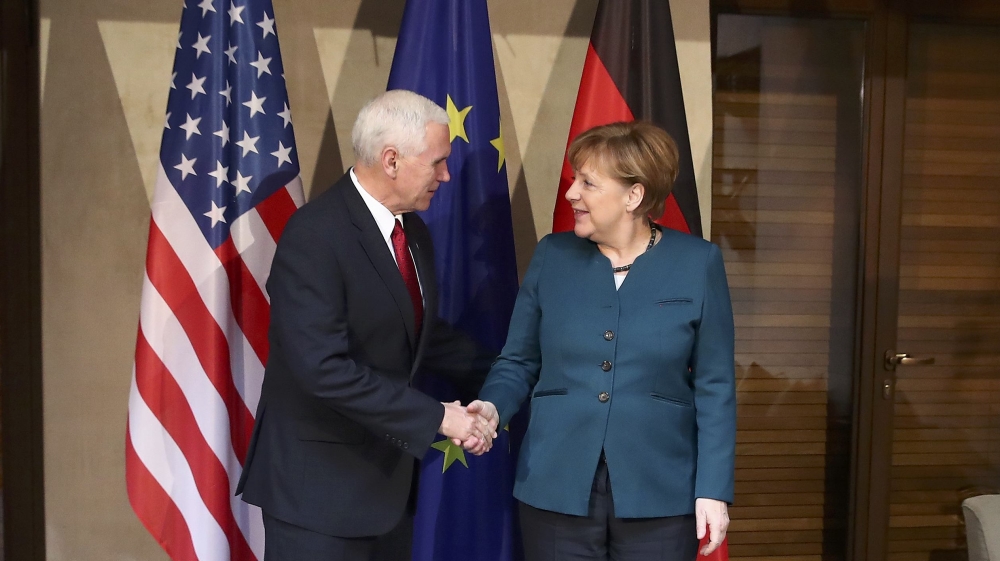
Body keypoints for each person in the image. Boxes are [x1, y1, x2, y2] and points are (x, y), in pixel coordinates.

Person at [237, 90, 498, 561]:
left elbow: (421, 337)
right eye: (437, 161)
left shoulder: (412, 231)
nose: (446, 175)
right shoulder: (315, 235)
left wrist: (511, 375)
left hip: (385, 492)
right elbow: (322, 368)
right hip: (318, 498)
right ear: (392, 160)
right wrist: (439, 417)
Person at [470, 121, 736, 560]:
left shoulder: (698, 262)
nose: (572, 193)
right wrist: (493, 407)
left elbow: (716, 385)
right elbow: (517, 361)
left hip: (660, 489)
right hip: (556, 482)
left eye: (588, 183)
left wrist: (713, 488)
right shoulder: (551, 256)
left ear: (633, 195)